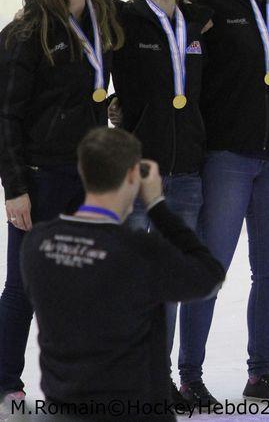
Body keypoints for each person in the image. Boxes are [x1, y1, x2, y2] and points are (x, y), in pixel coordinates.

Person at [178, 0, 269, 404]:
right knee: (210, 269)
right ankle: (190, 376)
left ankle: (259, 374)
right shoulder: (207, 7)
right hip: (228, 157)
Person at [20, 127, 224, 421]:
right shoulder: (137, 251)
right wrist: (157, 207)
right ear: (133, 176)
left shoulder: (37, 243)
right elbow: (209, 276)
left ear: (82, 169)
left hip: (62, 408)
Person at [0, 0, 123, 405]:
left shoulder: (103, 12)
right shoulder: (26, 34)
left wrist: (117, 103)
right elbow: (6, 117)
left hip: (90, 177)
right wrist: (15, 188)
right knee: (26, 288)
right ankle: (7, 384)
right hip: (41, 176)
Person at [112, 0, 212, 400]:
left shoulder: (194, 20)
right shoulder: (127, 19)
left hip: (187, 171)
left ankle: (162, 377)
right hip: (139, 172)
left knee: (169, 281)